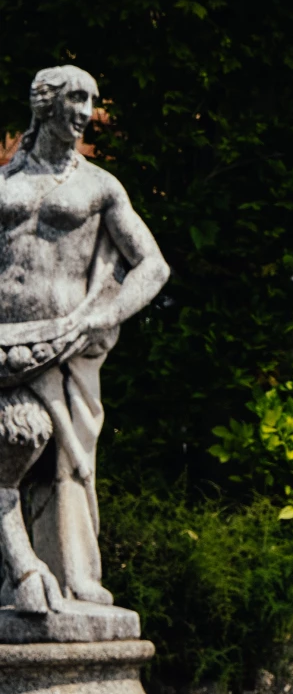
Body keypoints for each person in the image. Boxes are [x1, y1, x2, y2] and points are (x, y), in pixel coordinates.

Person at [0, 67, 169, 615]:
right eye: (76, 98)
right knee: (15, 441)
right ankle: (21, 573)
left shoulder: (99, 186)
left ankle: (70, 576)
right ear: (45, 103)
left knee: (68, 461)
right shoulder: (3, 182)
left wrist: (104, 316)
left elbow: (152, 265)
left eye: (91, 101)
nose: (85, 112)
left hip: (67, 344)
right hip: (4, 346)